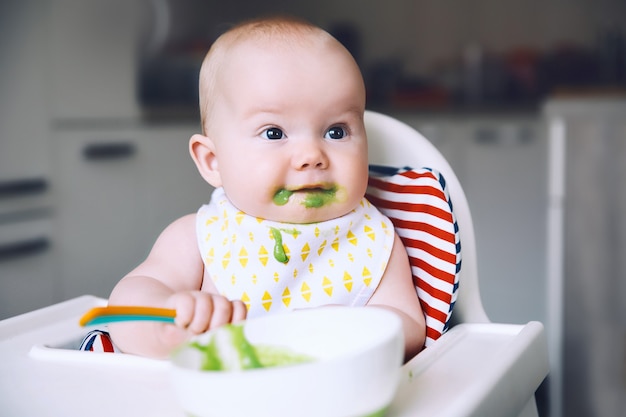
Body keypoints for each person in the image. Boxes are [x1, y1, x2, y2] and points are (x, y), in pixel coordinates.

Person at [108, 16, 425, 360]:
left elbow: (409, 329)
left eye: (336, 131)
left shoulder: (373, 239)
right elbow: (124, 309)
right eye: (274, 133)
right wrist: (166, 321)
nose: (311, 156)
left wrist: (345, 327)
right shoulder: (200, 238)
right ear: (213, 161)